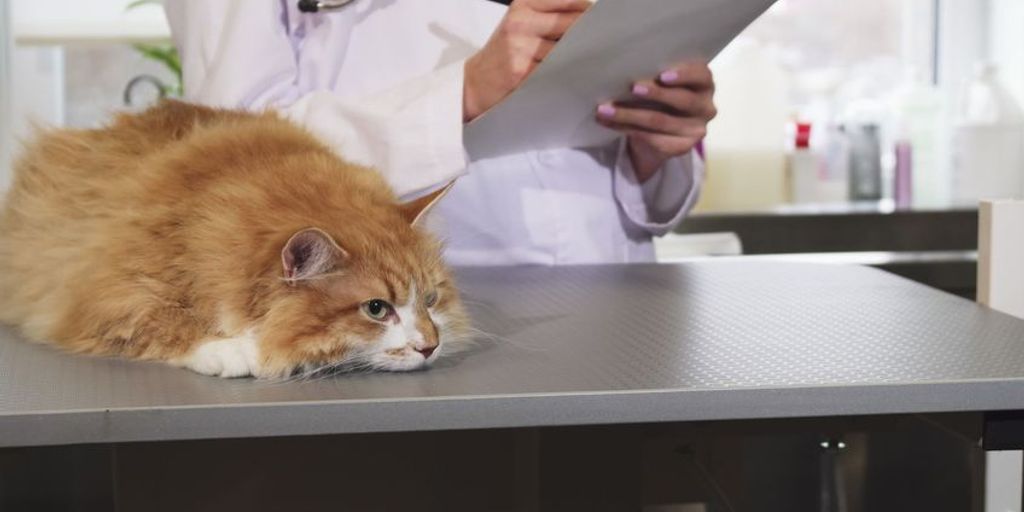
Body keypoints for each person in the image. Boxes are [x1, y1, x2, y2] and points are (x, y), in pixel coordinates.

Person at [163, 0, 717, 265]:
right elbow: (234, 156)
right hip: (414, 320)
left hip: (620, 297)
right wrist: (462, 94)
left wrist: (657, 142)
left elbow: (634, 190)